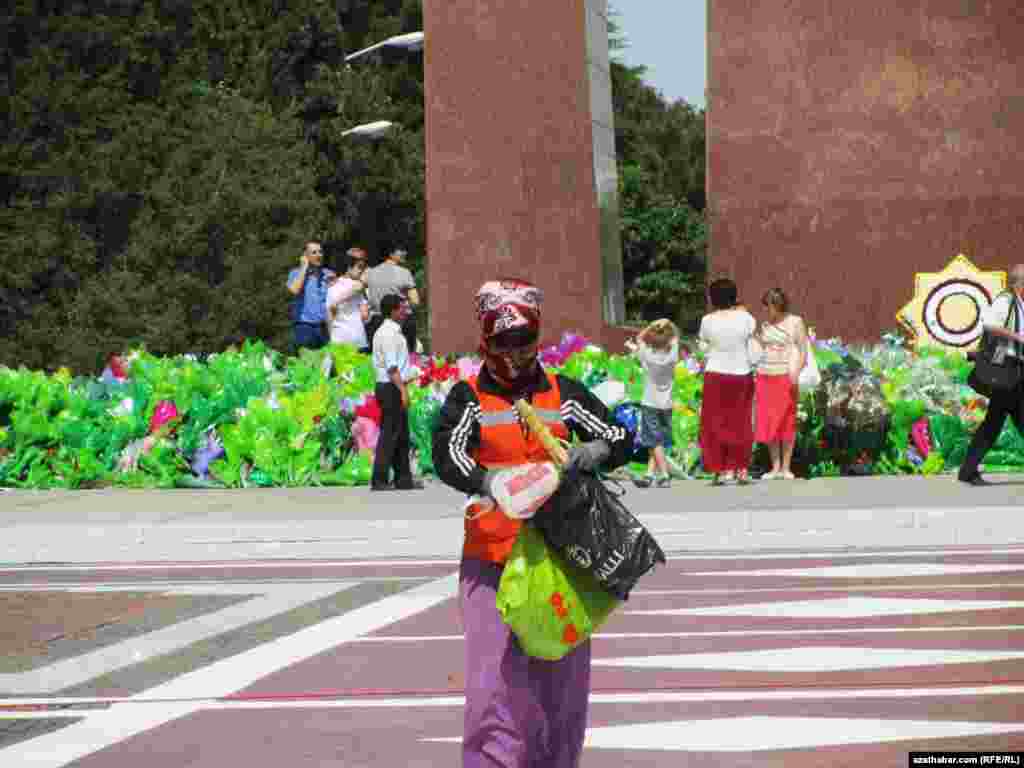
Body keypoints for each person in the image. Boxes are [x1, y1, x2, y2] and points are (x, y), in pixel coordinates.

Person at [432, 278, 633, 768]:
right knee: (491, 690)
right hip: (494, 560)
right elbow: (447, 453)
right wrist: (489, 482)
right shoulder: (470, 397)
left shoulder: (562, 393)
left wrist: (594, 451)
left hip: (562, 561)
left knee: (560, 688)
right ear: (486, 342)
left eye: (524, 341)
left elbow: (620, 434)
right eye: (504, 342)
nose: (516, 353)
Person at [958, 264, 1024, 486]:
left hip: (1014, 372)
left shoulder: (1020, 304)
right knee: (994, 423)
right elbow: (989, 325)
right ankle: (968, 471)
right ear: (1018, 283)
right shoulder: (1006, 301)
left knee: (997, 421)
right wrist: (1018, 337)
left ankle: (968, 471)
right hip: (1006, 371)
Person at [698, 277, 758, 485]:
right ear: (734, 297)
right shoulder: (746, 318)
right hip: (741, 373)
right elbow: (751, 339)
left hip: (715, 373)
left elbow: (704, 347)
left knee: (714, 422)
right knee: (741, 421)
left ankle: (719, 469)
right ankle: (741, 468)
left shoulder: (707, 321)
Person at [755, 288, 808, 480]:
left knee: (786, 421)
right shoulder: (764, 325)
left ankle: (786, 467)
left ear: (778, 304)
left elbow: (803, 351)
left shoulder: (796, 322)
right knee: (769, 421)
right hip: (765, 375)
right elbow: (759, 349)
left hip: (786, 375)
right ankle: (775, 467)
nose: (766, 311)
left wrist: (796, 372)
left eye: (768, 306)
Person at [370, 294, 422, 491]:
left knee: (401, 434)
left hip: (394, 385)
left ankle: (403, 479)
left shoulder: (393, 332)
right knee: (390, 434)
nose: (406, 311)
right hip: (391, 386)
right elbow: (392, 368)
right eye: (402, 308)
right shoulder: (389, 334)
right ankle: (379, 479)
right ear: (392, 311)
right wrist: (403, 391)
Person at [626, 318, 680, 488]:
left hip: (650, 404)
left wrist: (652, 324)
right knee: (656, 441)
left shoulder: (646, 355)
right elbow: (676, 336)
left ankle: (664, 474)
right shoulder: (672, 357)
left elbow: (639, 337)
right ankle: (649, 474)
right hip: (667, 405)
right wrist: (668, 323)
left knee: (654, 441)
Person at [366, 247, 420, 354]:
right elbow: (415, 301)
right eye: (401, 250)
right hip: (401, 323)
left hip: (376, 323)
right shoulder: (404, 272)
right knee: (405, 360)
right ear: (391, 253)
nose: (405, 252)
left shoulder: (370, 273)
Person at [285, 240, 335, 352]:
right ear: (305, 256)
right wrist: (304, 268)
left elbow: (334, 302)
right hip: (305, 328)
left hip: (324, 328)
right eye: (314, 252)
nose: (319, 255)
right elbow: (294, 290)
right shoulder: (295, 273)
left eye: (320, 252)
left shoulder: (329, 274)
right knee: (306, 365)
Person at [326, 255, 370, 352]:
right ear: (349, 268)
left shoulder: (331, 287)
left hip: (338, 338)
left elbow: (329, 316)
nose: (361, 271)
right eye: (359, 267)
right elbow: (365, 315)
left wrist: (331, 337)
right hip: (357, 338)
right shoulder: (358, 287)